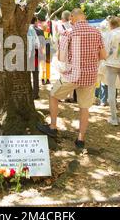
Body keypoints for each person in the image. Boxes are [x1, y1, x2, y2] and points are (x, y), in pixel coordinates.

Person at [37, 8, 107, 149]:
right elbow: (103, 55)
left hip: (72, 75)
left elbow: (61, 57)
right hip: (90, 75)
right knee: (84, 107)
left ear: (73, 18)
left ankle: (53, 126)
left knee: (53, 95)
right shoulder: (97, 32)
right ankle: (80, 139)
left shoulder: (68, 32)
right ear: (84, 17)